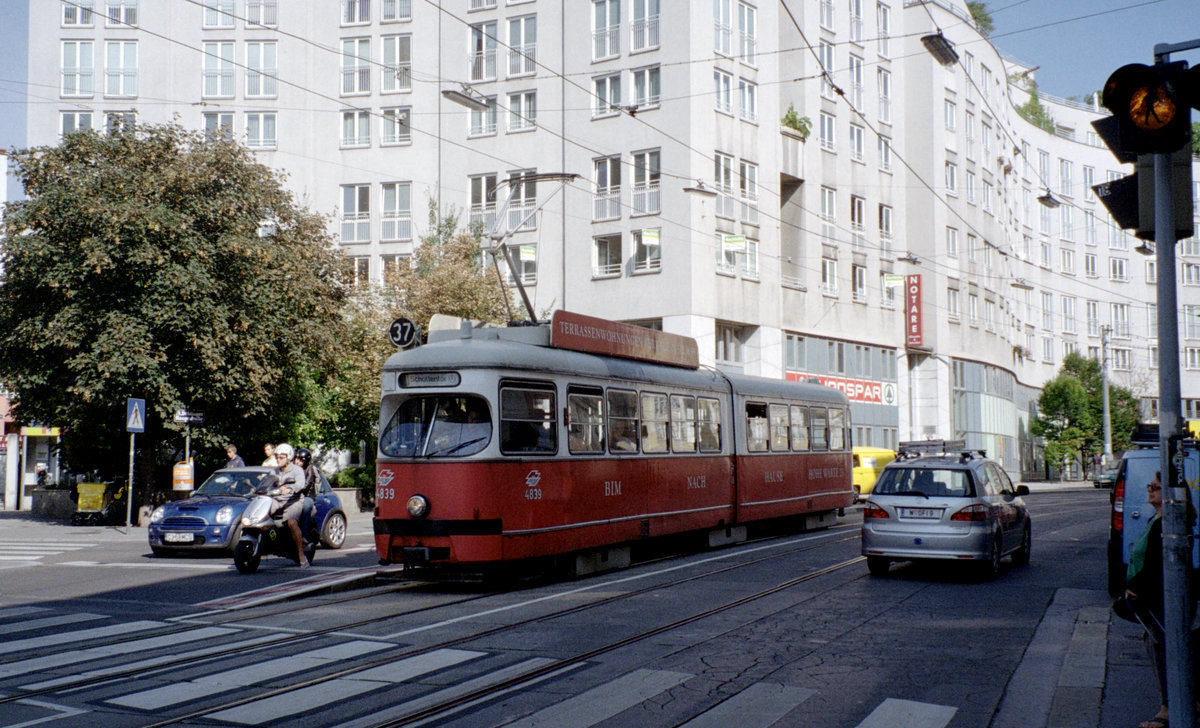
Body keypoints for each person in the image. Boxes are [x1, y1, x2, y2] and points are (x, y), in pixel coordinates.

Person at [1122, 473, 1200, 728]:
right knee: (1160, 644)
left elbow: (1158, 563)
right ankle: (1184, 701)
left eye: (1155, 488)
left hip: (1160, 597)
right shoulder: (1156, 519)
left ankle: (1170, 707)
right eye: (1150, 486)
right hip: (1154, 597)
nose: (1150, 491)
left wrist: (1136, 586)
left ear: (1168, 495)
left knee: (1163, 647)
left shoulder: (1169, 523)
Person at [271, 443, 310, 568]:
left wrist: (290, 488)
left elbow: (301, 484)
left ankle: (301, 554)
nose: (278, 459)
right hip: (277, 500)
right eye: (276, 457)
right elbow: (266, 482)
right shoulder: (274, 471)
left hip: (293, 500)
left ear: (288, 457)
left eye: (281, 457)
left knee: (292, 522)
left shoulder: (297, 470)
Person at [293, 447, 320, 545]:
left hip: (307, 496)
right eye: (296, 459)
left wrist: (292, 488)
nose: (297, 461)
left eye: (300, 460)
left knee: (306, 506)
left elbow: (305, 486)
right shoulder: (292, 469)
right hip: (292, 495)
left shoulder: (310, 469)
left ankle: (304, 535)